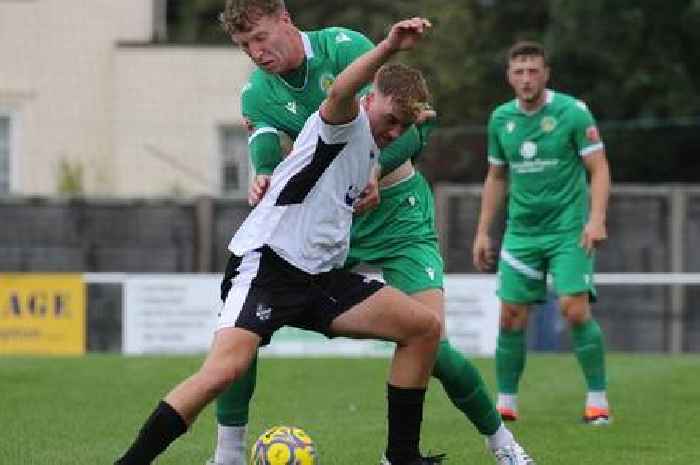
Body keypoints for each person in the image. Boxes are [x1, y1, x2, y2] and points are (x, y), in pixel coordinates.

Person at [211, 1, 535, 465]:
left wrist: (373, 170)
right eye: (244, 45)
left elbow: (417, 123)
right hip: (326, 228)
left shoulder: (345, 49)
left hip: (398, 214)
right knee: (241, 328)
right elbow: (264, 140)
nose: (256, 52)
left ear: (284, 17)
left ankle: (503, 445)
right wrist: (262, 172)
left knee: (432, 344)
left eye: (261, 37)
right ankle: (228, 455)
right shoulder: (257, 92)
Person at [115, 17, 445, 465]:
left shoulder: (375, 144)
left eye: (402, 126)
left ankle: (401, 457)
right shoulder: (344, 121)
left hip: (321, 277)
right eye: (389, 119)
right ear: (369, 101)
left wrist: (403, 128)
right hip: (269, 264)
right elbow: (339, 91)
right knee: (221, 373)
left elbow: (397, 129)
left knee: (423, 329)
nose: (393, 132)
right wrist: (388, 46)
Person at [472, 40, 612, 425]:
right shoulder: (501, 119)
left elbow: (599, 168)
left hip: (569, 230)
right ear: (509, 77)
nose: (526, 78)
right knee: (510, 317)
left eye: (533, 70)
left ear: (546, 74)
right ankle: (506, 404)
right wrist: (484, 231)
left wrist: (596, 218)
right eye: (519, 71)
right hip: (522, 233)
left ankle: (597, 400)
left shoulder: (572, 112)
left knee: (574, 309)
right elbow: (497, 176)